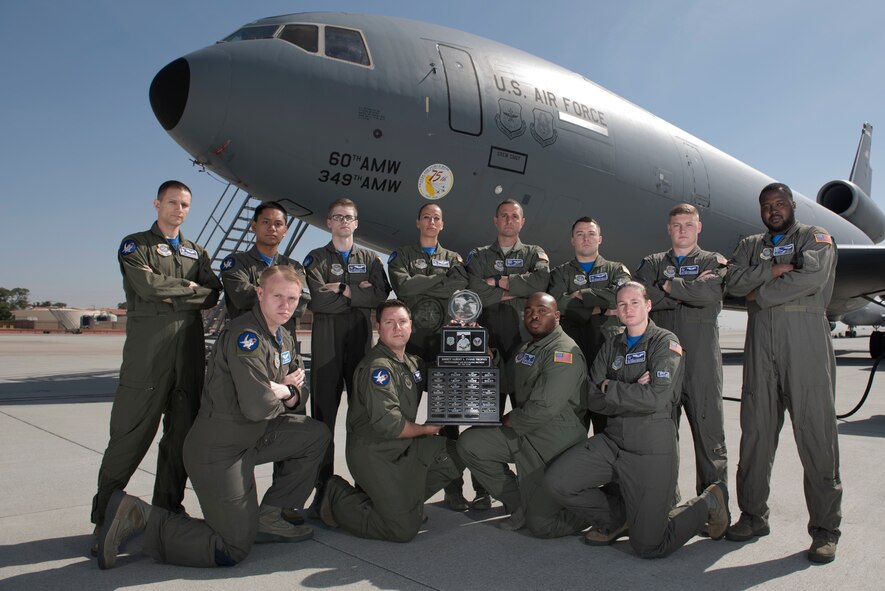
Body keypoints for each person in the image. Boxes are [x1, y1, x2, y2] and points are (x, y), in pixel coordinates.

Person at [97, 266, 330, 569]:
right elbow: (257, 406)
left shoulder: (283, 337)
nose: (285, 305)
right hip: (220, 450)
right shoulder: (246, 337)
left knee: (315, 434)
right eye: (277, 296)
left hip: (255, 436)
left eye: (292, 298)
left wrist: (283, 390)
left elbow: (300, 392)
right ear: (260, 294)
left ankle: (271, 516)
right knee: (232, 548)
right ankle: (140, 517)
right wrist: (285, 391)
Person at [544, 282, 729, 558]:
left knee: (649, 545)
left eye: (634, 303)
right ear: (616, 310)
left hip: (650, 447)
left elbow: (655, 398)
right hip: (613, 441)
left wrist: (611, 386)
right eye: (622, 304)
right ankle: (617, 518)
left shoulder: (665, 342)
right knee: (558, 481)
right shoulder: (612, 344)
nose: (628, 309)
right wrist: (633, 389)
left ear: (648, 305)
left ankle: (709, 501)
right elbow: (592, 397)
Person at [90, 180, 222, 548]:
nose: (179, 209)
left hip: (188, 355)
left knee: (181, 437)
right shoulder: (135, 245)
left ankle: (168, 510)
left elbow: (213, 294)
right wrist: (189, 290)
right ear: (157, 204)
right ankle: (104, 518)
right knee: (129, 436)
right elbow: (147, 287)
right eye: (172, 202)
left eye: (185, 204)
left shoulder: (197, 253)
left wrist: (176, 292)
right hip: (148, 356)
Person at [725, 182, 841, 564]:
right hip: (760, 347)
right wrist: (773, 270)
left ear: (792, 205)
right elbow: (733, 281)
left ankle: (825, 530)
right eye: (766, 205)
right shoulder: (749, 245)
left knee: (816, 436)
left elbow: (811, 277)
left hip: (805, 345)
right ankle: (753, 516)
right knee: (755, 434)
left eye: (779, 203)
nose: (773, 210)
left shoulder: (814, 237)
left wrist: (760, 293)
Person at [317, 300, 465, 542]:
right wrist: (426, 429)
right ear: (379, 327)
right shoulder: (378, 369)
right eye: (389, 322)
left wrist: (464, 338)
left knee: (460, 452)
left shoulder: (412, 363)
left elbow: (446, 375)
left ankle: (406, 505)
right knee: (402, 530)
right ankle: (336, 497)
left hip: (404, 446)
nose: (397, 327)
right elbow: (391, 425)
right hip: (375, 453)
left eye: (402, 321)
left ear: (411, 326)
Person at [456, 292, 590, 537]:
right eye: (529, 311)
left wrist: (508, 419)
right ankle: (519, 505)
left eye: (542, 310)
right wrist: (488, 355)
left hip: (552, 442)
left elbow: (543, 408)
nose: (534, 316)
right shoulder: (527, 348)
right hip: (524, 433)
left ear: (557, 316)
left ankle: (597, 510)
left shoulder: (563, 352)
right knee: (471, 443)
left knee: (542, 526)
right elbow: (508, 382)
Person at [387, 202, 489, 511]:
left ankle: (454, 488)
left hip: (446, 347)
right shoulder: (402, 255)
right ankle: (398, 489)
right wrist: (439, 281)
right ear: (418, 222)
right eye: (427, 218)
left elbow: (460, 286)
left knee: (450, 421)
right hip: (411, 347)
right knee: (404, 418)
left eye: (437, 218)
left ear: (442, 224)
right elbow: (403, 286)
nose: (432, 222)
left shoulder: (454, 258)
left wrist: (424, 283)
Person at [634, 203, 728, 502]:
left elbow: (709, 293)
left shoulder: (713, 261)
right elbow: (641, 298)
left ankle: (714, 508)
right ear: (668, 229)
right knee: (660, 438)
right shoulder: (652, 262)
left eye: (689, 224)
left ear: (698, 227)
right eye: (676, 225)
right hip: (661, 364)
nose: (682, 230)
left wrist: (666, 286)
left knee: (709, 438)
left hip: (702, 365)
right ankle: (664, 504)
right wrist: (687, 290)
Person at [303, 198, 391, 495]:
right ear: (329, 222)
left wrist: (342, 289)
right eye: (338, 217)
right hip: (326, 343)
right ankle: (323, 488)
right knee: (323, 418)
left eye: (349, 217)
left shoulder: (371, 260)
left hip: (359, 342)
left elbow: (380, 296)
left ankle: (363, 485)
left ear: (356, 223)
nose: (344, 222)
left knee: (361, 417)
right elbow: (317, 300)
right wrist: (358, 294)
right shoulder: (316, 258)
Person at [548, 217, 631, 434]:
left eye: (591, 234)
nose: (586, 238)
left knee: (608, 429)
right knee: (572, 428)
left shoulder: (616, 270)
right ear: (572, 240)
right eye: (580, 234)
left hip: (608, 353)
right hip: (572, 353)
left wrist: (582, 295)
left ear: (600, 239)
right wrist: (603, 309)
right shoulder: (560, 273)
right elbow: (558, 304)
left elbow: (620, 296)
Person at [465, 199, 550, 405]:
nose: (509, 220)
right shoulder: (479, 255)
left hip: (524, 341)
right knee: (487, 413)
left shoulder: (533, 253)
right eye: (504, 216)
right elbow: (474, 291)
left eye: (514, 216)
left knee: (525, 411)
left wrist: (495, 282)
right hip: (487, 344)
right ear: (495, 220)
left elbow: (540, 283)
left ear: (522, 222)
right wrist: (518, 291)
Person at [219, 200, 309, 331]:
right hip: (247, 337)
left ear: (285, 230)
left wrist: (265, 296)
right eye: (266, 222)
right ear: (254, 226)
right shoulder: (237, 263)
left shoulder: (295, 267)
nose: (272, 228)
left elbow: (302, 304)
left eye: (278, 224)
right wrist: (288, 299)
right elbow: (241, 298)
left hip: (284, 340)